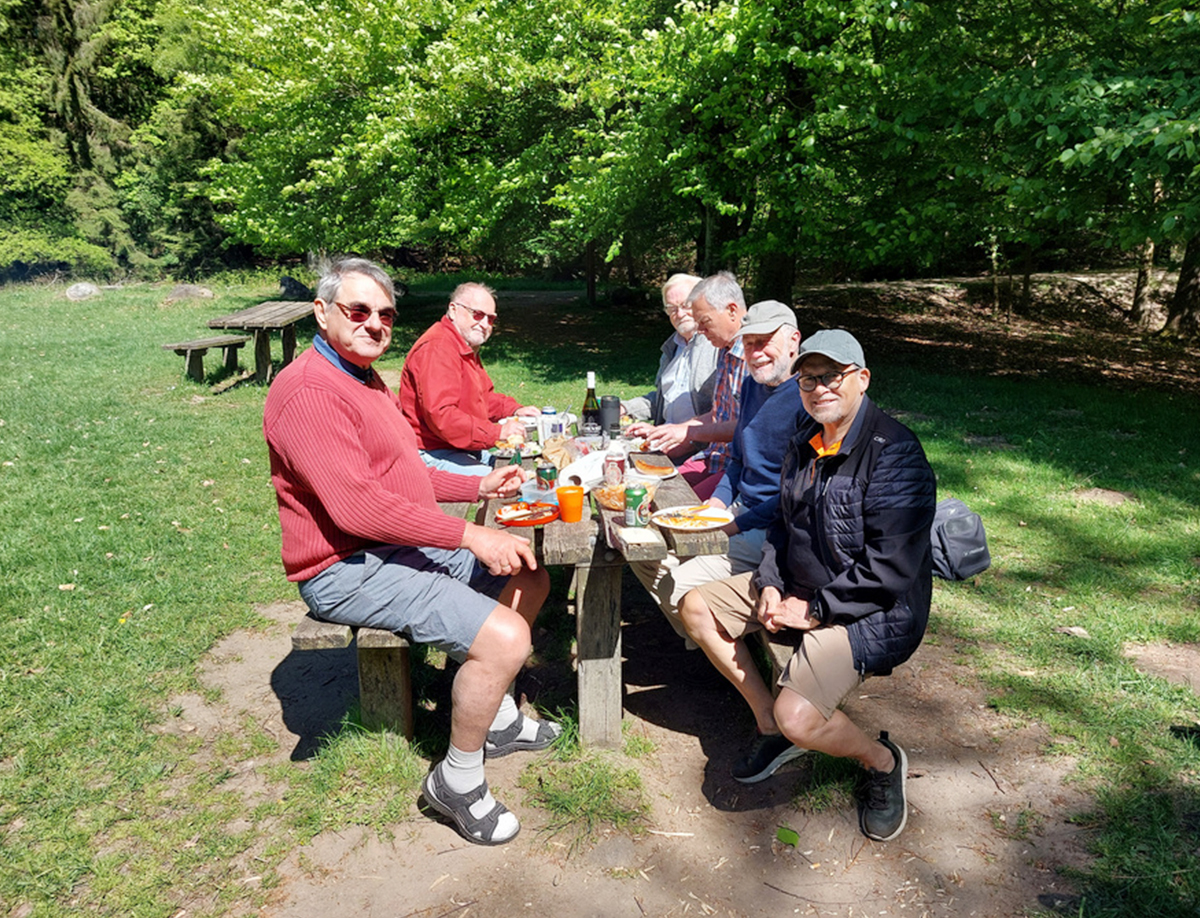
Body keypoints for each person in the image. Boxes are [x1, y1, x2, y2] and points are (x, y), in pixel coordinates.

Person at [264, 258, 558, 847]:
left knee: (530, 574)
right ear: (322, 313)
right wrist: (471, 533)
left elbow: (404, 472)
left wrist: (477, 487)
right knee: (505, 637)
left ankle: (495, 718)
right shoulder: (309, 393)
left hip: (386, 546)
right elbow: (357, 510)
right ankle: (457, 781)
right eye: (359, 311)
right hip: (344, 567)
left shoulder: (361, 377)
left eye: (386, 314)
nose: (375, 323)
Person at [678, 329, 936, 843]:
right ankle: (768, 728)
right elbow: (782, 523)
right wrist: (771, 583)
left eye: (831, 377)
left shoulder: (896, 454)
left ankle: (882, 762)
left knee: (800, 715)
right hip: (797, 588)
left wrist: (814, 608)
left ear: (861, 379)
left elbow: (890, 567)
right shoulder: (806, 437)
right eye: (808, 379)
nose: (818, 389)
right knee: (695, 606)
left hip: (873, 611)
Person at [630, 300, 805, 643]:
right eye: (749, 343)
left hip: (774, 525)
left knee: (675, 584)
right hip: (739, 508)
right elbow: (738, 459)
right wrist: (717, 503)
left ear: (794, 340)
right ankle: (704, 638)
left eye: (765, 341)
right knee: (642, 543)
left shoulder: (806, 398)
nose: (755, 353)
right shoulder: (754, 385)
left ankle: (712, 644)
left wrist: (733, 525)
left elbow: (793, 495)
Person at [398, 282, 541, 476]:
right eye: (477, 314)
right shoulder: (438, 347)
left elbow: (483, 398)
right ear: (453, 310)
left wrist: (515, 409)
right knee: (511, 481)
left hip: (459, 446)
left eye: (490, 319)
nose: (484, 324)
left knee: (528, 466)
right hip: (432, 451)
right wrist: (497, 433)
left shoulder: (463, 344)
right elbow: (443, 418)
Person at [627, 271, 748, 499]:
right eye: (671, 309)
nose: (700, 331)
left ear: (731, 311)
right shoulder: (724, 349)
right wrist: (666, 430)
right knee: (642, 490)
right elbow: (719, 413)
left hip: (728, 464)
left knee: (666, 501)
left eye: (703, 321)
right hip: (711, 456)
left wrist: (688, 434)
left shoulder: (748, 355)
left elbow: (747, 425)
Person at [623, 274, 719, 451]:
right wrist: (625, 408)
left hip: (701, 448)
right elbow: (663, 398)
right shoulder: (672, 348)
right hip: (662, 443)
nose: (679, 314)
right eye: (672, 309)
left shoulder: (718, 346)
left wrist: (686, 437)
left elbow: (726, 411)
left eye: (685, 305)